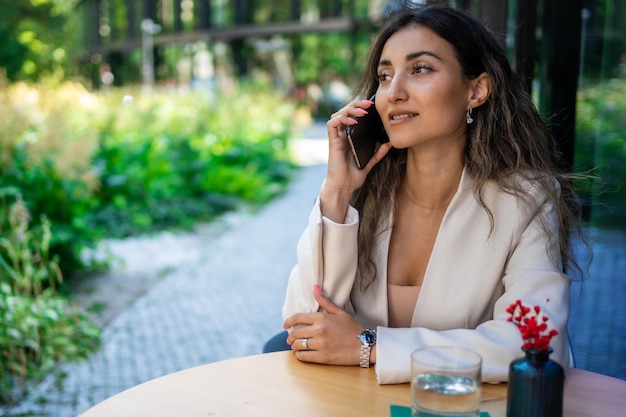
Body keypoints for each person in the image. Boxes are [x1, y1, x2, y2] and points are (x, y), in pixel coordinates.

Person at [278, 3, 589, 384]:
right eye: (385, 75)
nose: (395, 92)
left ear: (476, 90)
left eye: (420, 69)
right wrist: (338, 191)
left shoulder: (526, 200)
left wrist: (371, 346)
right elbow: (304, 325)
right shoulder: (362, 193)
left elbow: (533, 343)